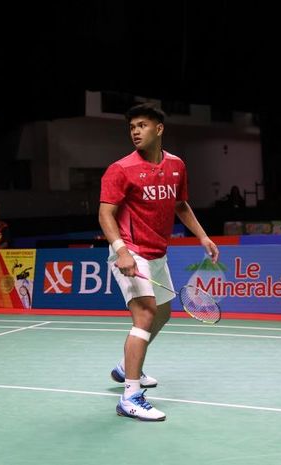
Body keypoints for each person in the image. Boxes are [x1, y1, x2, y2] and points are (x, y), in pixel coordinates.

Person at [98, 103, 219, 421]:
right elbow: (105, 213)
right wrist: (121, 250)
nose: (135, 131)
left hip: (157, 252)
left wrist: (203, 236)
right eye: (132, 127)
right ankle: (131, 396)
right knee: (146, 313)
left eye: (142, 125)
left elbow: (181, 205)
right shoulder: (121, 169)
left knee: (163, 313)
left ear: (159, 129)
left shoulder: (177, 165)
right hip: (129, 249)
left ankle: (126, 367)